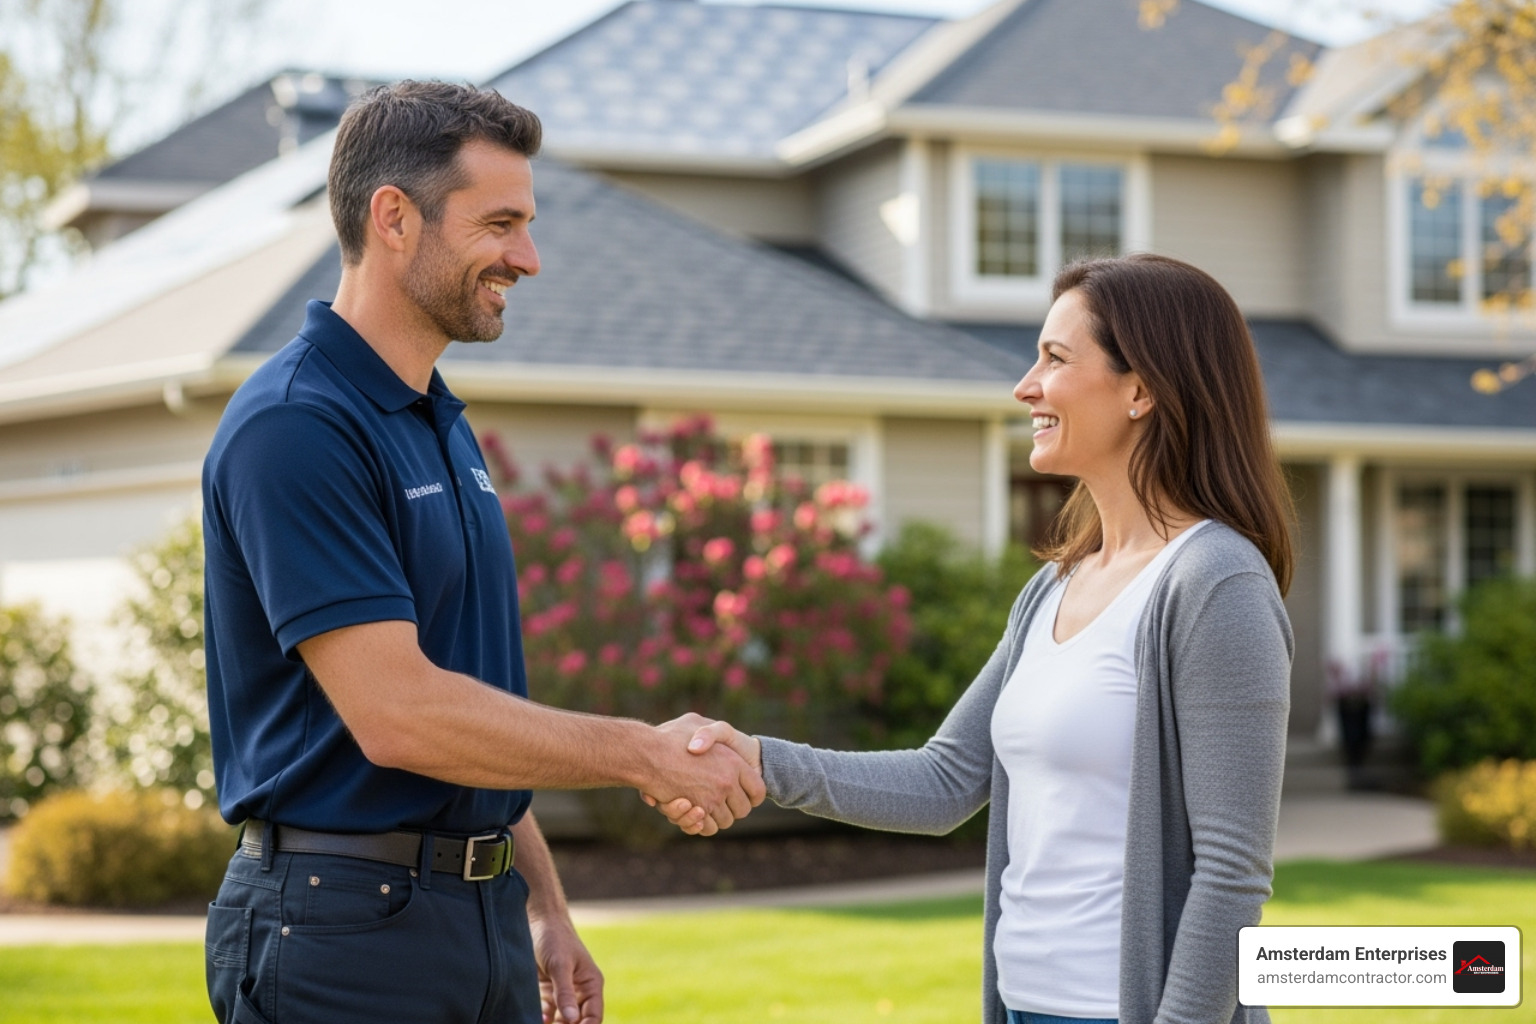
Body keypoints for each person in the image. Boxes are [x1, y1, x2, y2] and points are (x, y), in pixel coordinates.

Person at [201, 81, 763, 1024]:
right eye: (500, 223)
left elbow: (468, 699)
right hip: (338, 934)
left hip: (477, 916)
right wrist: (642, 755)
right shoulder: (298, 426)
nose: (529, 259)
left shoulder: (437, 424)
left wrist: (542, 902)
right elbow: (401, 715)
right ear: (394, 218)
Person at [664, 253, 1295, 1024]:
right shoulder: (1054, 587)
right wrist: (760, 762)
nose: (1025, 386)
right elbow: (945, 781)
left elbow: (1231, 874)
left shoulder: (1213, 584)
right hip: (1025, 1007)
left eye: (1055, 359)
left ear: (1142, 390)